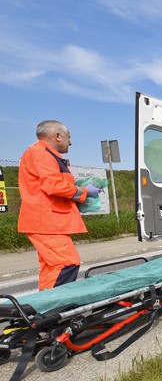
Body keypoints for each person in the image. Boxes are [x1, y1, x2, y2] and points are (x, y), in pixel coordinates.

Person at [17, 120, 100, 290]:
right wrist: (84, 192)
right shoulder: (40, 154)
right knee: (66, 264)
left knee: (53, 267)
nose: (71, 142)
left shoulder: (43, 154)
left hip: (48, 222)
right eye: (69, 138)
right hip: (47, 222)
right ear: (57, 136)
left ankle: (44, 308)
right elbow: (53, 185)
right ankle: (53, 311)